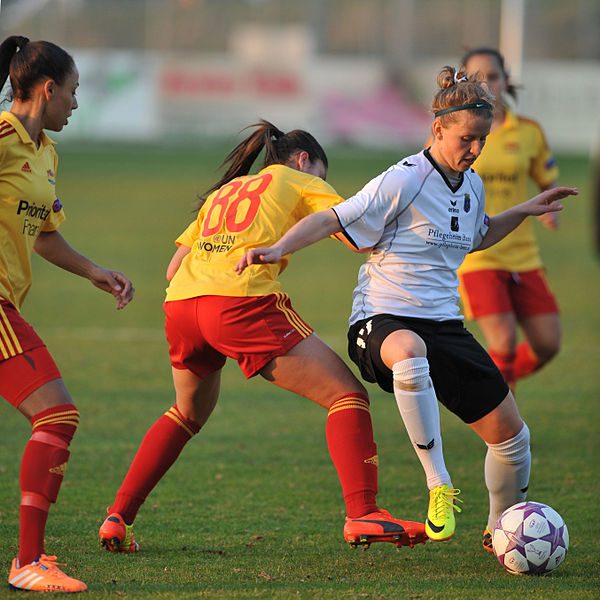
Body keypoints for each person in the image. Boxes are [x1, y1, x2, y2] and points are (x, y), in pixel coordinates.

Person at [236, 67, 577, 552]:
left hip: (445, 325)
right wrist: (276, 250)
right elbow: (333, 217)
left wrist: (523, 210)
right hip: (380, 321)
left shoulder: (472, 184)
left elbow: (477, 236)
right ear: (437, 129)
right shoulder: (405, 177)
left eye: (482, 139)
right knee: (410, 348)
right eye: (467, 138)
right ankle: (439, 486)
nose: (476, 149)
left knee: (513, 438)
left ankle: (501, 530)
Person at [99, 119, 428, 557]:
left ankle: (118, 518)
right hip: (239, 302)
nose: (320, 186)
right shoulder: (297, 179)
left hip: (181, 306)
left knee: (186, 412)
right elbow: (352, 227)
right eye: (321, 177)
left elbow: (173, 267)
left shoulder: (226, 191)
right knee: (347, 395)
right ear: (303, 160)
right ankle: (363, 511)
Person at [0, 35, 134, 593]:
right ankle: (29, 561)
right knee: (56, 415)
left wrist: (93, 271)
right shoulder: (2, 138)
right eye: (73, 93)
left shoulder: (46, 154)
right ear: (48, 90)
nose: (76, 104)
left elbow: (44, 234)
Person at [456, 47, 561, 392]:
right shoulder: (454, 133)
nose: (487, 84)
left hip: (523, 253)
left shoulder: (528, 132)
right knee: (502, 344)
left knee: (548, 343)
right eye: (478, 78)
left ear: (506, 81)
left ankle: (490, 388)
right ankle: (505, 437)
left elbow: (546, 178)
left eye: (494, 77)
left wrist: (550, 208)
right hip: (478, 254)